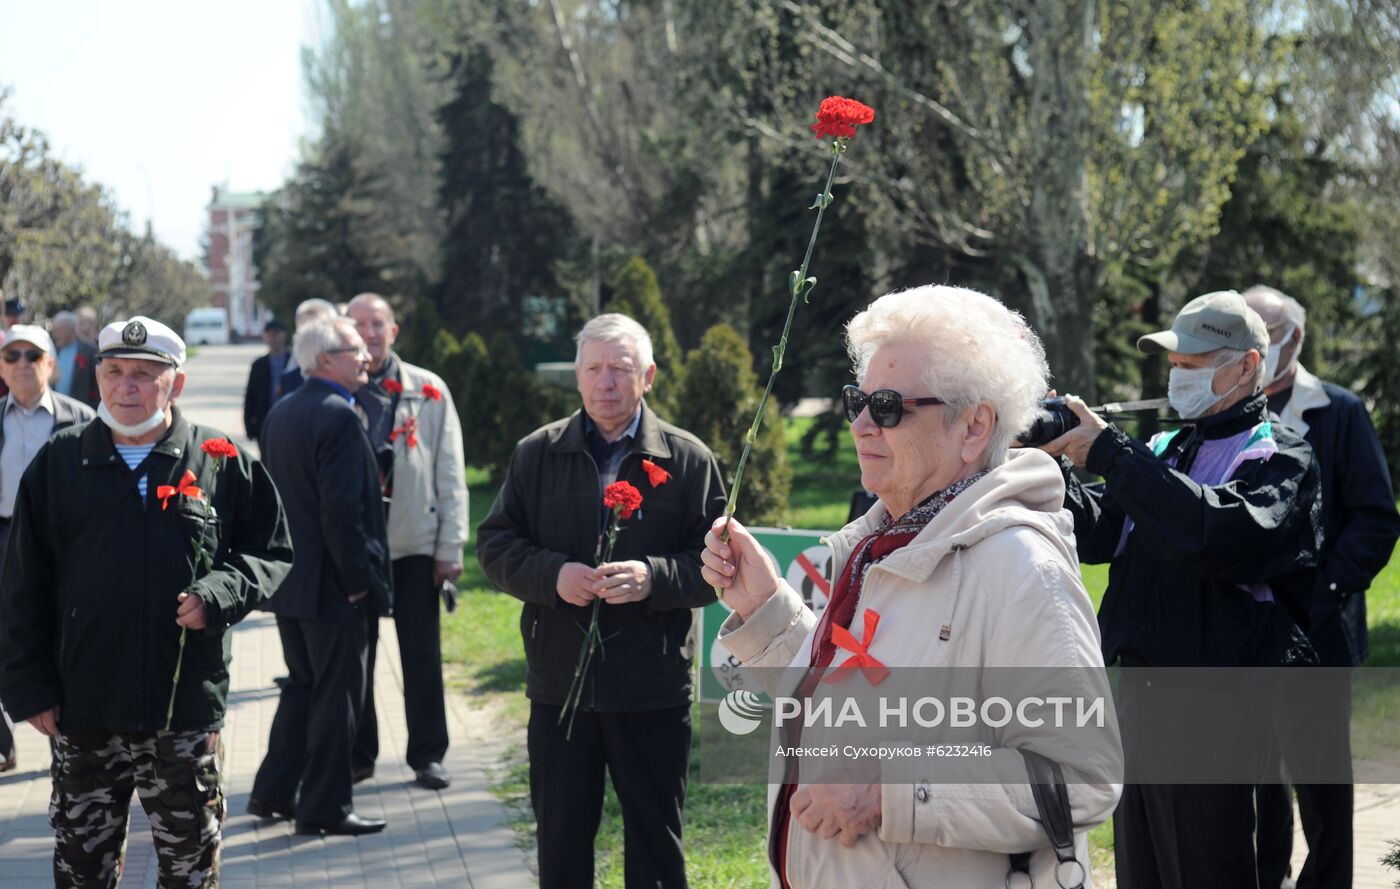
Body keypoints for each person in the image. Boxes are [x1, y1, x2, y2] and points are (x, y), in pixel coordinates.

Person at [704, 286, 1121, 889]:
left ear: (974, 426)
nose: (862, 424)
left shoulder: (1021, 566)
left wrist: (887, 790)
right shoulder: (886, 540)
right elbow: (858, 695)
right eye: (859, 400)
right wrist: (766, 611)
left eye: (891, 406)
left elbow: (1082, 777)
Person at [1039, 290, 1322, 889]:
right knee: (1143, 868)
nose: (1177, 376)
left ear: (1247, 366)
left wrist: (1114, 453)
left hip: (1220, 708)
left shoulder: (1280, 456)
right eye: (1173, 364)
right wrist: (1054, 466)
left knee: (1210, 868)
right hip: (1142, 696)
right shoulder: (1169, 449)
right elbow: (1101, 534)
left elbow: (1211, 534)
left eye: (1192, 365)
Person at [0, 315, 292, 888]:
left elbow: (272, 550)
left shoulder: (218, 458)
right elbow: (21, 588)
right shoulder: (60, 463)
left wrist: (220, 592)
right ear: (98, 378)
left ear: (175, 383)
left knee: (189, 871)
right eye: (114, 373)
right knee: (83, 870)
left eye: (144, 374)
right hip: (83, 709)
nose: (126, 387)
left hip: (181, 708)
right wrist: (30, 690)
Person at [477, 313, 728, 889]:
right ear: (577, 376)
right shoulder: (537, 453)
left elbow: (718, 566)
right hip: (560, 684)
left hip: (652, 685)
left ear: (649, 376)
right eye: (593, 368)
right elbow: (494, 544)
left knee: (655, 845)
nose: (606, 382)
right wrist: (553, 574)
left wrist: (654, 577)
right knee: (561, 844)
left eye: (621, 368)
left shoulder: (687, 460)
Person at [1245, 284, 1400, 889]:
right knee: (1258, 777)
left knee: (1321, 779)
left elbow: (1375, 517)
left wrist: (1328, 589)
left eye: (1269, 333)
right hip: (1245, 628)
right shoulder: (1230, 410)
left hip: (1319, 627)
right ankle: (1268, 877)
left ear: (1296, 339)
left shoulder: (1339, 412)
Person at [249, 316, 392, 836]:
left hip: (291, 582)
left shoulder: (283, 411)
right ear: (324, 359)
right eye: (353, 349)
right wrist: (358, 581)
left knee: (303, 687)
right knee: (337, 696)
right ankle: (325, 807)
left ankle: (272, 792)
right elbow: (342, 513)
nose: (364, 357)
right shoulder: (338, 416)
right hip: (332, 585)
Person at [346, 294, 467, 790]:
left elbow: (450, 469)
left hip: (416, 543)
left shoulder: (427, 389)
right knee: (359, 656)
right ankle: (360, 755)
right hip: (357, 550)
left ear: (393, 331)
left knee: (421, 654)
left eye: (378, 325)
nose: (370, 334)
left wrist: (450, 546)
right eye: (359, 326)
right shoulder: (335, 387)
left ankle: (428, 755)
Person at [0, 324, 96, 774]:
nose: (22, 364)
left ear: (51, 365)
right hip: (3, 536)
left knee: (59, 637)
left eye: (32, 356)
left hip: (61, 546)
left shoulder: (81, 421)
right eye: (12, 356)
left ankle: (69, 735)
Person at [278, 298, 339, 399]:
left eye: (318, 329)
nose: (310, 337)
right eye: (305, 330)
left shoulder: (350, 372)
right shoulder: (289, 378)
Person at [243, 319, 289, 449]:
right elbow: (250, 396)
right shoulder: (259, 365)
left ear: (283, 335)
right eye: (269, 335)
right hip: (265, 422)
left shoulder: (294, 362)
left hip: (289, 421)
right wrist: (249, 426)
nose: (272, 339)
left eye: (276, 334)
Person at [50, 311, 100, 408]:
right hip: (56, 409)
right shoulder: (52, 351)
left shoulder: (89, 351)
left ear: (72, 331)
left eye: (59, 330)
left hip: (82, 411)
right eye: (54, 330)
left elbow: (97, 385)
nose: (55, 335)